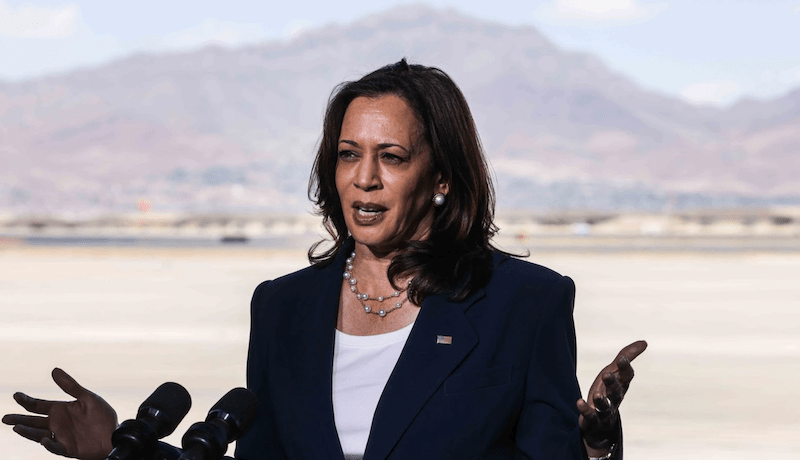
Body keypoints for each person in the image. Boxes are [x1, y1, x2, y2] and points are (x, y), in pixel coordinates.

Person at [3, 59, 646, 460]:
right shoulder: (281, 307)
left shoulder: (524, 301)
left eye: (391, 157)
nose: (363, 178)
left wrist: (592, 445)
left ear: (442, 176)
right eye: (347, 154)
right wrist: (121, 449)